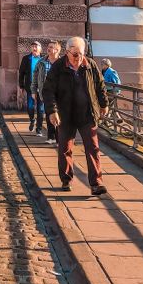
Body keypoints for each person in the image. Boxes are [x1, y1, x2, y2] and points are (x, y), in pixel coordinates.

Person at [42, 37, 109, 196]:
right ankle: (66, 179)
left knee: (93, 148)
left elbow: (100, 85)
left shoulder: (90, 65)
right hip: (66, 114)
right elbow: (48, 90)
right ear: (67, 52)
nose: (78, 58)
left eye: (80, 54)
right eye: (74, 54)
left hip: (87, 114)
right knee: (65, 149)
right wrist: (52, 111)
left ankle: (96, 183)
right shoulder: (58, 67)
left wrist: (104, 104)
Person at [31, 42, 62, 144]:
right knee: (49, 114)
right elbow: (35, 77)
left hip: (60, 92)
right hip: (46, 92)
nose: (48, 49)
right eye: (48, 47)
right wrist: (34, 91)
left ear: (57, 50)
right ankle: (51, 137)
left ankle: (59, 138)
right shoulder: (41, 62)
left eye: (51, 47)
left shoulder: (62, 62)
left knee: (60, 115)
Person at [19, 41, 44, 133]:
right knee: (30, 107)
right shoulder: (26, 59)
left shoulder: (44, 59)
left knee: (41, 109)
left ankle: (39, 129)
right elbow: (21, 73)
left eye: (36, 46)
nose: (34, 48)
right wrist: (21, 85)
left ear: (40, 48)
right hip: (30, 87)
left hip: (42, 88)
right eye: (33, 46)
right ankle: (32, 120)